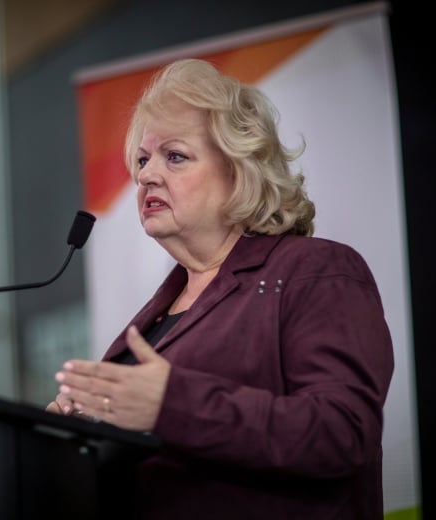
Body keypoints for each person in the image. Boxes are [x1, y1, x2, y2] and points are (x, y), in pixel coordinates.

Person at [46, 58, 394, 519]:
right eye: (143, 160)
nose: (147, 175)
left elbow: (341, 431)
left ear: (240, 170)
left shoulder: (315, 270)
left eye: (174, 156)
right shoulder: (156, 315)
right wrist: (75, 441)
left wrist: (170, 404)